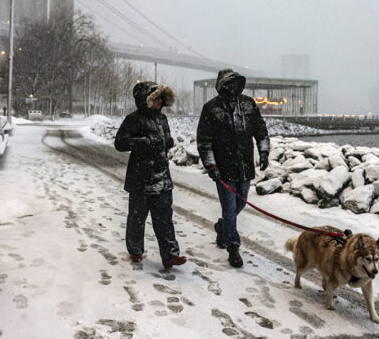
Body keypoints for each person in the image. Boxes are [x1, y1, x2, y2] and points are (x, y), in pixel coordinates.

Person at [197, 69, 269, 268]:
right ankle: (233, 247)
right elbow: (204, 141)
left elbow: (260, 129)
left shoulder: (248, 104)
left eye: (235, 84)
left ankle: (223, 227)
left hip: (245, 166)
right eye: (229, 84)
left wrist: (264, 151)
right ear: (221, 86)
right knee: (229, 209)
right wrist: (211, 165)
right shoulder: (211, 108)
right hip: (223, 167)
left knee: (241, 203)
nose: (233, 88)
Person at [114, 81, 186, 269]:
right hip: (140, 179)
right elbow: (120, 143)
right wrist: (142, 142)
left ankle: (170, 255)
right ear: (145, 100)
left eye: (161, 98)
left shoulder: (162, 119)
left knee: (164, 219)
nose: (160, 101)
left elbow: (166, 140)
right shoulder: (133, 119)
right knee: (137, 218)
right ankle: (135, 249)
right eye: (156, 98)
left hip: (162, 177)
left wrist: (167, 143)